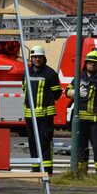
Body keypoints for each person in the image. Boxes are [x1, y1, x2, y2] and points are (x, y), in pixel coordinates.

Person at [65, 51, 97, 175]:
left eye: (95, 63)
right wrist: (74, 93)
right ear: (86, 63)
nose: (92, 65)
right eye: (90, 62)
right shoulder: (79, 77)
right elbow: (66, 91)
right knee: (80, 148)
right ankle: (81, 173)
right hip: (80, 122)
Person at [22, 46, 62, 174]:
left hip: (45, 115)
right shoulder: (27, 73)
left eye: (39, 57)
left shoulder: (51, 74)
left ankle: (47, 169)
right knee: (32, 142)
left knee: (45, 142)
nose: (37, 59)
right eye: (34, 57)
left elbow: (57, 93)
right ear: (31, 59)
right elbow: (24, 89)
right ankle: (35, 167)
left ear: (44, 58)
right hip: (30, 115)